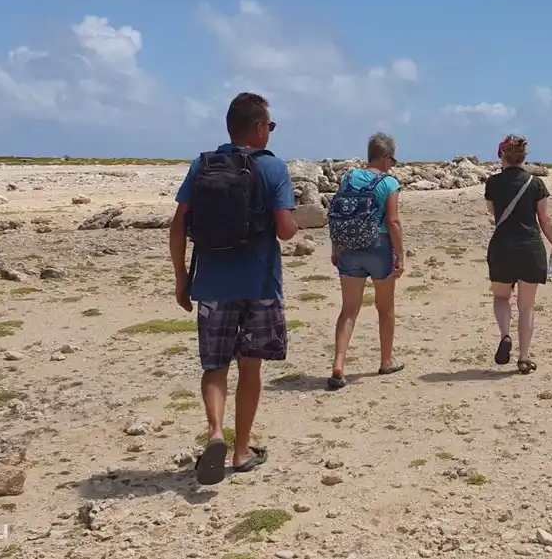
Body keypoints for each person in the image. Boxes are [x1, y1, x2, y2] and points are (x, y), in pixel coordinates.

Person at [169, 92, 297, 486]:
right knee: (251, 366)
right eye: (270, 126)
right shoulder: (274, 169)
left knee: (214, 366)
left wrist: (180, 279)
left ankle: (214, 434)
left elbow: (177, 226)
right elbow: (286, 231)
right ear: (260, 128)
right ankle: (241, 451)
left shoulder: (202, 165)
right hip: (259, 283)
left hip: (212, 284)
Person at [326, 132, 405, 389]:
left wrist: (336, 246)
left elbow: (341, 213)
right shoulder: (389, 183)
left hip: (348, 246)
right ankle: (386, 360)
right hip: (379, 247)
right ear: (384, 158)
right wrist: (400, 255)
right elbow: (393, 221)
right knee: (385, 308)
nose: (392, 164)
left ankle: (339, 363)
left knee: (348, 309)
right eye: (392, 159)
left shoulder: (348, 177)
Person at [483, 134, 552, 374]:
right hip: (530, 248)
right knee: (526, 307)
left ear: (502, 156)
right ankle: (524, 358)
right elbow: (545, 219)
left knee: (501, 297)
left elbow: (491, 211)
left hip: (502, 248)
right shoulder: (535, 183)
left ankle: (505, 335)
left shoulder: (493, 183)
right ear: (523, 157)